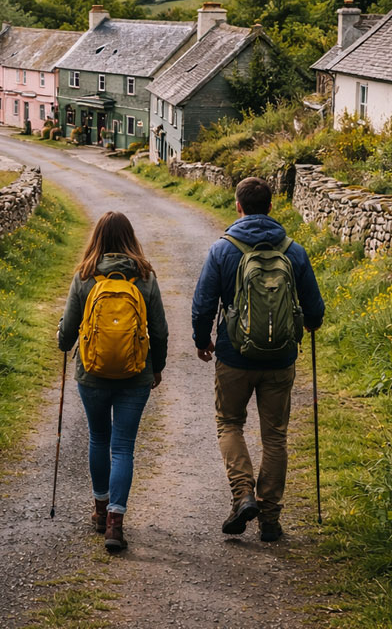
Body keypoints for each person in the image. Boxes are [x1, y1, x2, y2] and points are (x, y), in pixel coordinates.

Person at [191, 177, 325, 542]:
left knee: (230, 424)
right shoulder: (293, 250)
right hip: (280, 358)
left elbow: (204, 303)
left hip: (234, 356)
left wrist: (203, 341)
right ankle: (269, 518)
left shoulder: (223, 250)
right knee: (275, 437)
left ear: (238, 206)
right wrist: (310, 324)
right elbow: (314, 307)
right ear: (271, 207)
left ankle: (243, 494)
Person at [58, 212, 168, 552]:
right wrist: (157, 367)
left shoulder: (85, 275)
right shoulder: (145, 276)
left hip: (92, 373)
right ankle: (115, 523)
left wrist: (62, 340)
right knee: (123, 446)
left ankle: (99, 507)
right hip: (136, 373)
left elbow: (67, 334)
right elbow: (160, 331)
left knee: (98, 438)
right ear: (130, 237)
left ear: (97, 238)